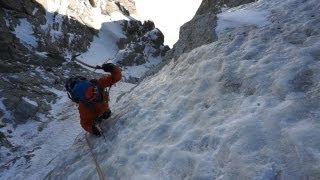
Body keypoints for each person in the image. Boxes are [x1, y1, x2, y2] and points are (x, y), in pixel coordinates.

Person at [75, 63, 121, 136]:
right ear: (84, 98)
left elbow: (116, 77)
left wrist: (113, 68)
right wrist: (93, 129)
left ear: (92, 85)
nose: (95, 94)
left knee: (107, 114)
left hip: (104, 110)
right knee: (105, 115)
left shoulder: (100, 84)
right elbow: (85, 123)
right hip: (97, 116)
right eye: (91, 96)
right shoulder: (83, 106)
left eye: (94, 90)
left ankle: (105, 112)